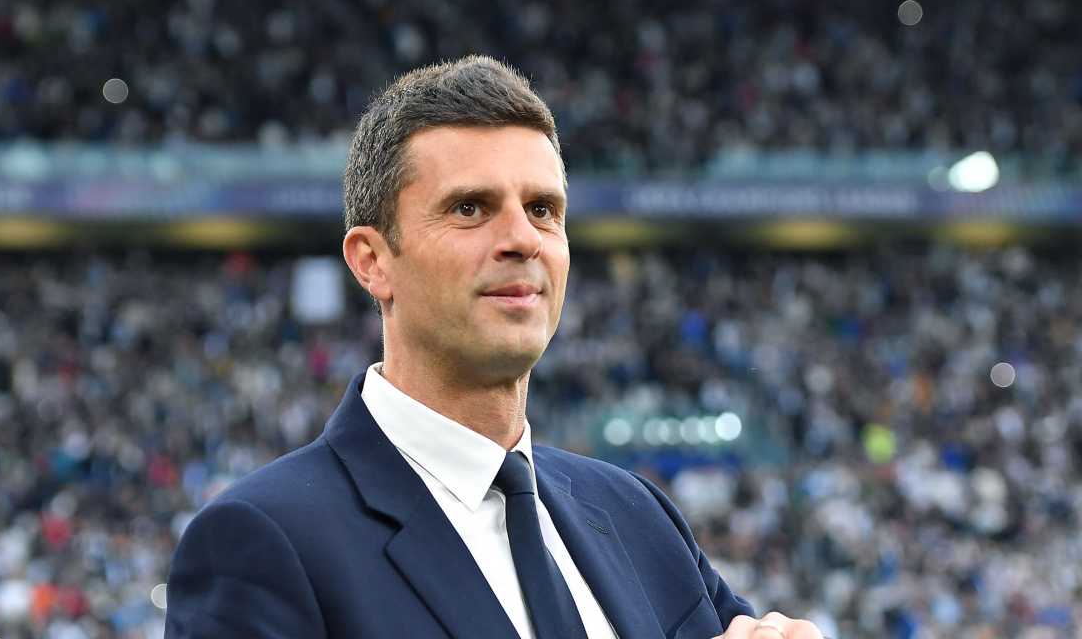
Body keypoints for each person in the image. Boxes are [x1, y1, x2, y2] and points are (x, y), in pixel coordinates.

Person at [165, 56, 822, 638]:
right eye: (470, 209)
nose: (522, 239)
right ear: (372, 261)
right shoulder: (263, 543)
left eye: (543, 209)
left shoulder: (636, 515)